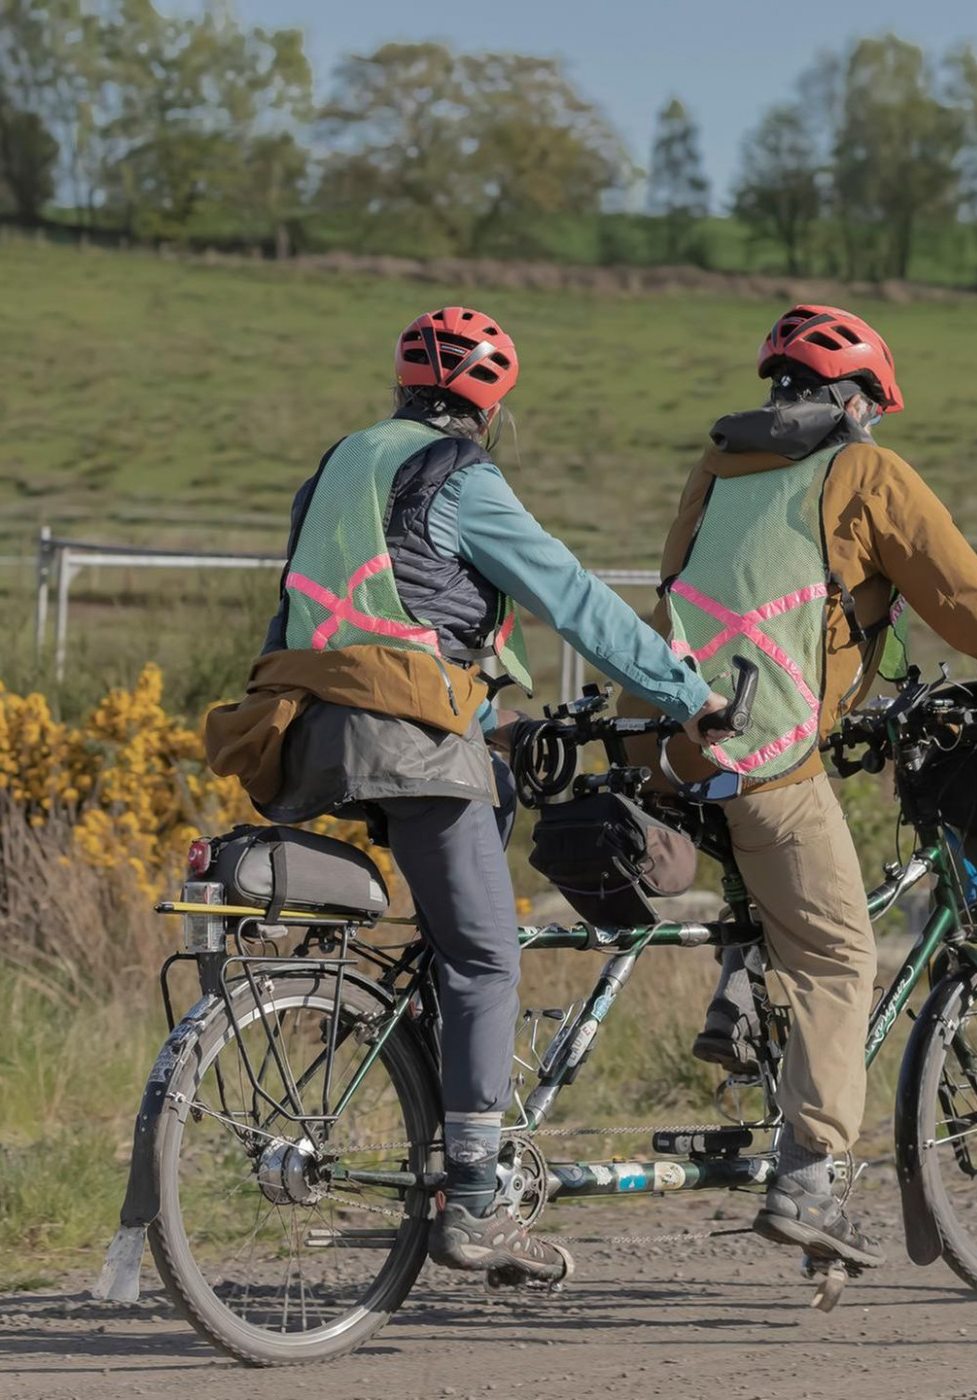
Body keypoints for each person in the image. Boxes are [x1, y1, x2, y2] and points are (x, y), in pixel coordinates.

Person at [205, 306, 728, 1284]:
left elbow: (338, 600)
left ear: (405, 385)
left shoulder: (339, 464)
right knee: (487, 953)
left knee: (450, 922)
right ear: (489, 403)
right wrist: (688, 696)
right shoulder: (459, 474)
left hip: (307, 731)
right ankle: (476, 1200)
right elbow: (567, 596)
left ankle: (431, 1097)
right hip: (408, 732)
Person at [641, 304, 977, 1269]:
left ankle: (737, 994)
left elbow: (672, 590)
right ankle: (809, 1180)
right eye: (873, 412)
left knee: (778, 895)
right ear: (852, 402)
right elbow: (965, 602)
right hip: (767, 759)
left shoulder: (716, 467)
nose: (874, 427)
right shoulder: (863, 471)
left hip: (678, 751)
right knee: (842, 955)